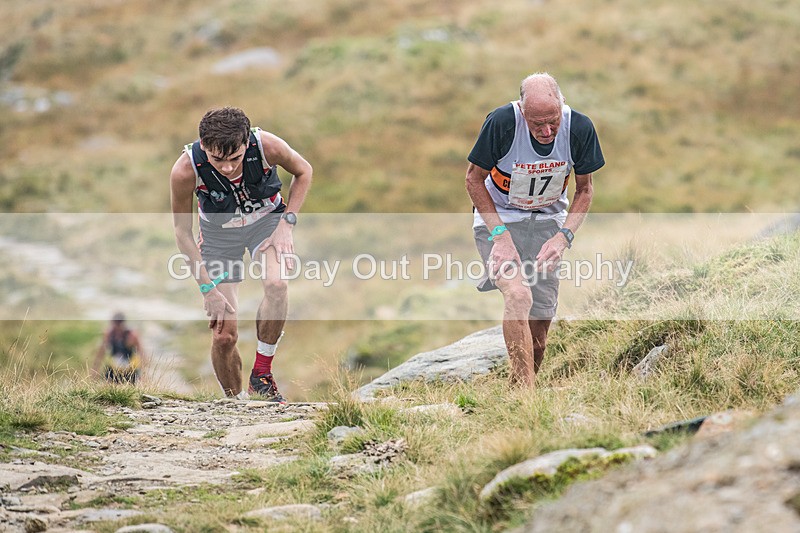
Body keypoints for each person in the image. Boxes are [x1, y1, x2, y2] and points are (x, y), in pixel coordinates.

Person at [465, 73, 605, 386]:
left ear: (563, 105)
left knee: (540, 325)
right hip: (500, 221)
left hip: (548, 224)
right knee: (518, 295)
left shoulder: (579, 128)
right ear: (522, 111)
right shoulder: (502, 123)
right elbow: (473, 179)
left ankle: (518, 392)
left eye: (552, 121)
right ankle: (525, 396)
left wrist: (563, 237)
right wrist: (500, 238)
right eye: (536, 123)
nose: (545, 131)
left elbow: (585, 190)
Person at [170, 107, 312, 402]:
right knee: (224, 336)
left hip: (267, 223)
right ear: (203, 147)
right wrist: (207, 289)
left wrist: (287, 224)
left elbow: (303, 171)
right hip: (219, 237)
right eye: (216, 159)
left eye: (234, 159)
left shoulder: (267, 145)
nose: (226, 168)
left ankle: (262, 375)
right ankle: (235, 404)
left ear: (246, 143)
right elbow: (182, 233)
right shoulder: (185, 170)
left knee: (277, 284)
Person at [93, 312, 145, 384]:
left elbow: (142, 353)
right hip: (114, 369)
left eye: (118, 323)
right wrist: (95, 370)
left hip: (130, 370)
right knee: (108, 388)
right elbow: (101, 353)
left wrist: (144, 374)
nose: (116, 326)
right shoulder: (109, 334)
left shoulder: (132, 335)